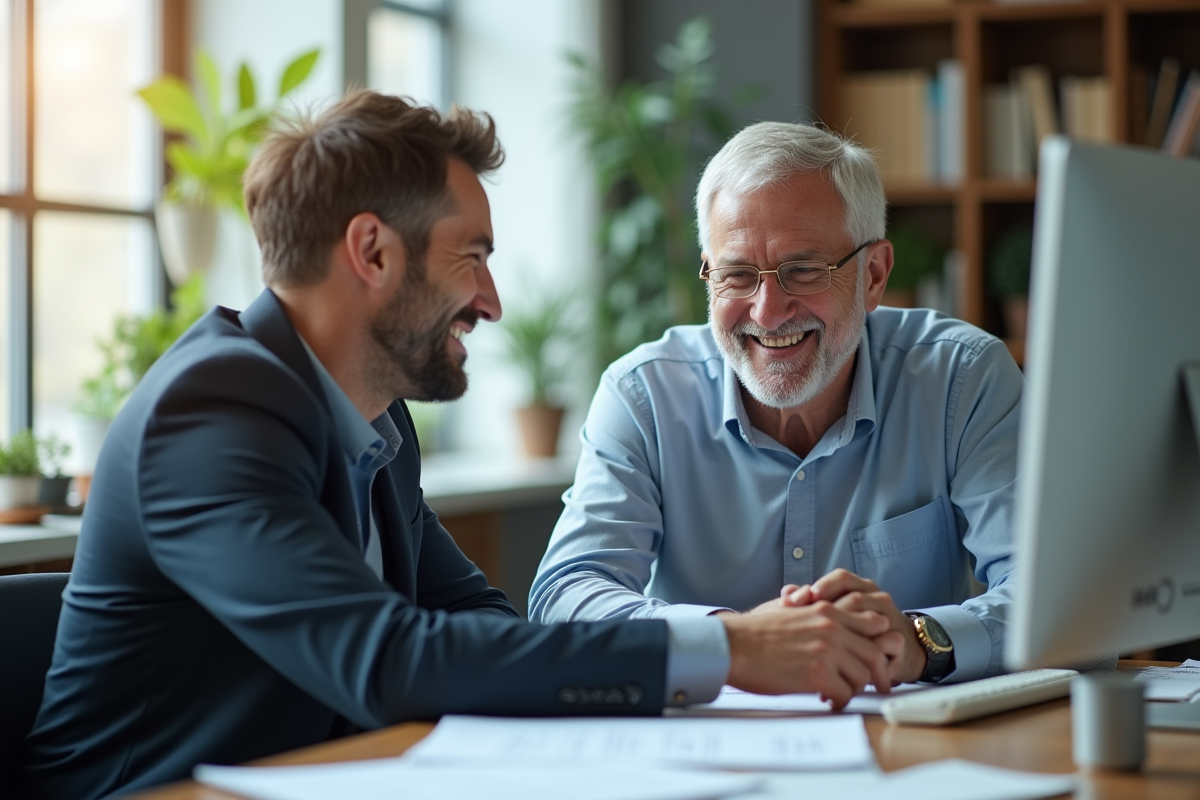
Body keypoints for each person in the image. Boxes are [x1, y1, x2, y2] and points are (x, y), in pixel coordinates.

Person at [17, 94, 908, 800]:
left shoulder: (373, 414)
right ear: (371, 251)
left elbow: (476, 622)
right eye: (470, 255)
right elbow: (388, 659)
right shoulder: (209, 411)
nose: (491, 301)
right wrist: (736, 649)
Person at [529, 121, 1022, 689]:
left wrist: (915, 641)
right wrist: (730, 642)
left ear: (875, 275)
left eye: (803, 270)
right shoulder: (643, 394)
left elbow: (1052, 595)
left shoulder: (963, 379)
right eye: (737, 275)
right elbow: (566, 592)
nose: (767, 312)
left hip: (907, 743)